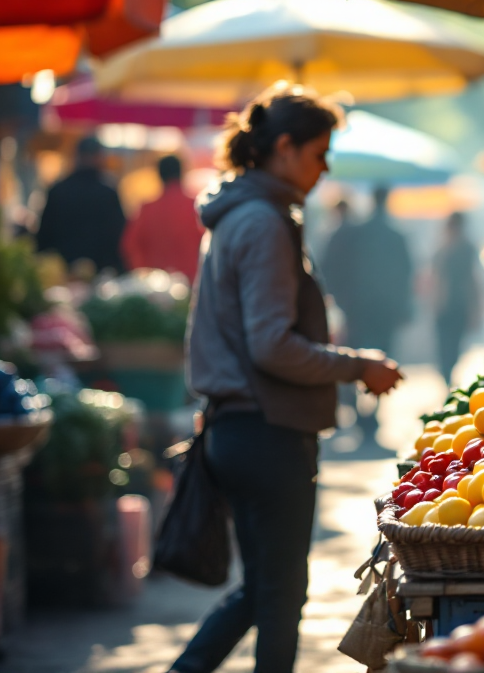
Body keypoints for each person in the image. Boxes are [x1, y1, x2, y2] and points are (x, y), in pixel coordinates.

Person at [171, 88, 402, 673]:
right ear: (284, 147)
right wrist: (357, 366)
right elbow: (271, 345)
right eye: (319, 154)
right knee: (279, 597)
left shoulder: (238, 216)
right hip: (266, 430)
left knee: (263, 590)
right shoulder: (262, 222)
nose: (325, 169)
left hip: (241, 428)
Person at [323, 186, 413, 357]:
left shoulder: (355, 234)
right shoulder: (395, 237)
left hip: (359, 307)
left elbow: (336, 268)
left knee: (360, 357)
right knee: (384, 356)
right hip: (385, 307)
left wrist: (342, 300)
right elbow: (405, 274)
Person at [35, 136, 126, 274]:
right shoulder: (108, 193)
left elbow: (43, 237)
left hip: (61, 274)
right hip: (100, 274)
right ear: (99, 157)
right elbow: (119, 236)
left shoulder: (58, 190)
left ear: (77, 157)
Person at [121, 155, 204, 282]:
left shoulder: (147, 209)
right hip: (192, 281)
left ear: (159, 175)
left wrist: (143, 273)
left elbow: (130, 245)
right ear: (181, 173)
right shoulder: (196, 207)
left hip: (156, 286)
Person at [433, 212, 479, 386]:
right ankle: (446, 375)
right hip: (446, 306)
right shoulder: (442, 249)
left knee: (454, 345)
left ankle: (448, 374)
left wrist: (475, 306)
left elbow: (471, 278)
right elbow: (436, 278)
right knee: (445, 346)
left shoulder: (465, 248)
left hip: (458, 305)